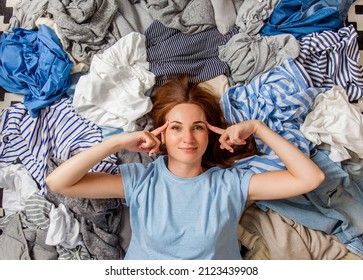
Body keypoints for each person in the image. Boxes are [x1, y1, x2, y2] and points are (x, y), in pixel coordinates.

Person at [45, 75, 325, 260]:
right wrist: (117, 142)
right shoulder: (141, 179)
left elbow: (311, 178)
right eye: (176, 128)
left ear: (210, 134)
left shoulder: (231, 183)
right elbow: (59, 183)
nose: (188, 138)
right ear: (161, 134)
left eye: (198, 127)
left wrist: (258, 128)